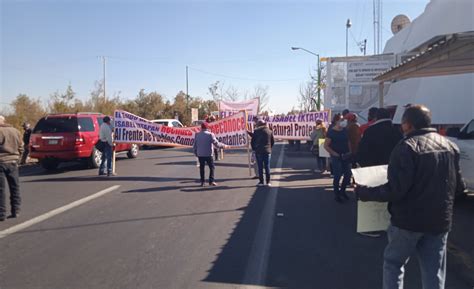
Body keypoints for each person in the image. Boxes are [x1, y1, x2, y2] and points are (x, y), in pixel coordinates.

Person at [356, 105, 466, 289]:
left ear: (407, 124)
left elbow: (395, 189)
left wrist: (363, 192)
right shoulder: (450, 146)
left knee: (394, 264)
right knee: (434, 270)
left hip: (407, 221)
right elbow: (459, 187)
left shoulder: (407, 147)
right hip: (439, 221)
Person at [0, 115, 23, 221]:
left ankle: (1, 213)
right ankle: (16, 210)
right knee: (15, 187)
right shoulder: (15, 131)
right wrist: (18, 158)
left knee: (1, 189)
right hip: (13, 161)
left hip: (1, 162)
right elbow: (21, 147)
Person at [324, 114, 351, 203]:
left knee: (348, 175)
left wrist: (350, 151)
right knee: (338, 175)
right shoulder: (331, 132)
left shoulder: (345, 130)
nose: (344, 122)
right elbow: (326, 146)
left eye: (344, 120)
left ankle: (342, 191)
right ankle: (337, 194)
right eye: (341, 120)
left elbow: (348, 141)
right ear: (336, 121)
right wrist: (334, 153)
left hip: (345, 155)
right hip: (336, 156)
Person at [194, 122, 227, 186]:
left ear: (201, 127)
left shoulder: (197, 134)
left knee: (202, 168)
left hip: (200, 154)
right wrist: (223, 146)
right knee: (212, 167)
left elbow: (195, 145)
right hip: (208, 154)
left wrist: (196, 153)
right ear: (207, 127)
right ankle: (211, 181)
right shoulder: (210, 134)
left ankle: (202, 182)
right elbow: (216, 144)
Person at [251, 119, 274, 187]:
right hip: (267, 151)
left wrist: (254, 149)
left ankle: (261, 182)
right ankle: (268, 181)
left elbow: (252, 142)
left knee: (260, 167)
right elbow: (272, 141)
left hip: (259, 151)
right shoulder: (269, 131)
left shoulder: (256, 131)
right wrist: (269, 148)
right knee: (267, 167)